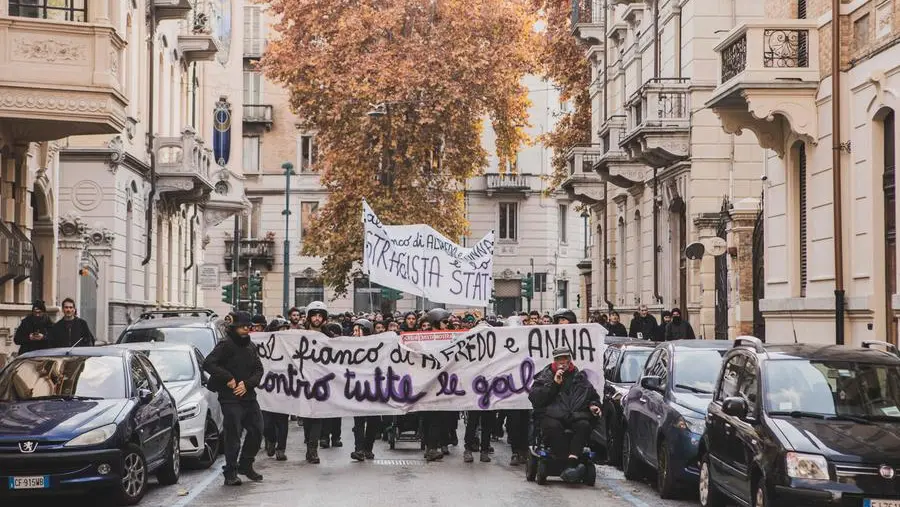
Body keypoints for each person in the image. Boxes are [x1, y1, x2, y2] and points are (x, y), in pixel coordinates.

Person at [203, 311, 265, 486]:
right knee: (233, 436)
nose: (246, 330)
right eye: (242, 327)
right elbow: (208, 363)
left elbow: (259, 369)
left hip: (248, 396)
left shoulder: (250, 346)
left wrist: (247, 384)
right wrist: (228, 378)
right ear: (234, 328)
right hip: (230, 398)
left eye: (248, 327)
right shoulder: (226, 345)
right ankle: (230, 472)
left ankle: (246, 464)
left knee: (257, 430)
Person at [529, 347, 602, 483]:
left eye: (565, 358)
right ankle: (568, 465)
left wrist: (594, 405)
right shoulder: (544, 377)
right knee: (553, 426)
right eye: (559, 359)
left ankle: (571, 463)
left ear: (570, 360)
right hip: (552, 415)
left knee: (584, 425)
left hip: (574, 415)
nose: (562, 362)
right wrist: (554, 385)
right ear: (554, 361)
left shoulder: (580, 378)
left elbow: (593, 396)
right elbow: (536, 398)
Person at [304, 301, 341, 461]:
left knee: (317, 415)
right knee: (306, 416)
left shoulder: (330, 338)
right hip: (304, 381)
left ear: (324, 318)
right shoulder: (299, 336)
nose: (317, 318)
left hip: (323, 382)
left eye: (320, 316)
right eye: (314, 315)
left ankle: (313, 449)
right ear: (309, 317)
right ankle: (309, 444)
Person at [349, 319, 382, 461]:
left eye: (358, 330)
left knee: (373, 421)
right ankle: (359, 449)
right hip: (357, 388)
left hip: (373, 388)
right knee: (358, 421)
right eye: (354, 331)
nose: (355, 333)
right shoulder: (349, 346)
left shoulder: (377, 345)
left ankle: (368, 448)